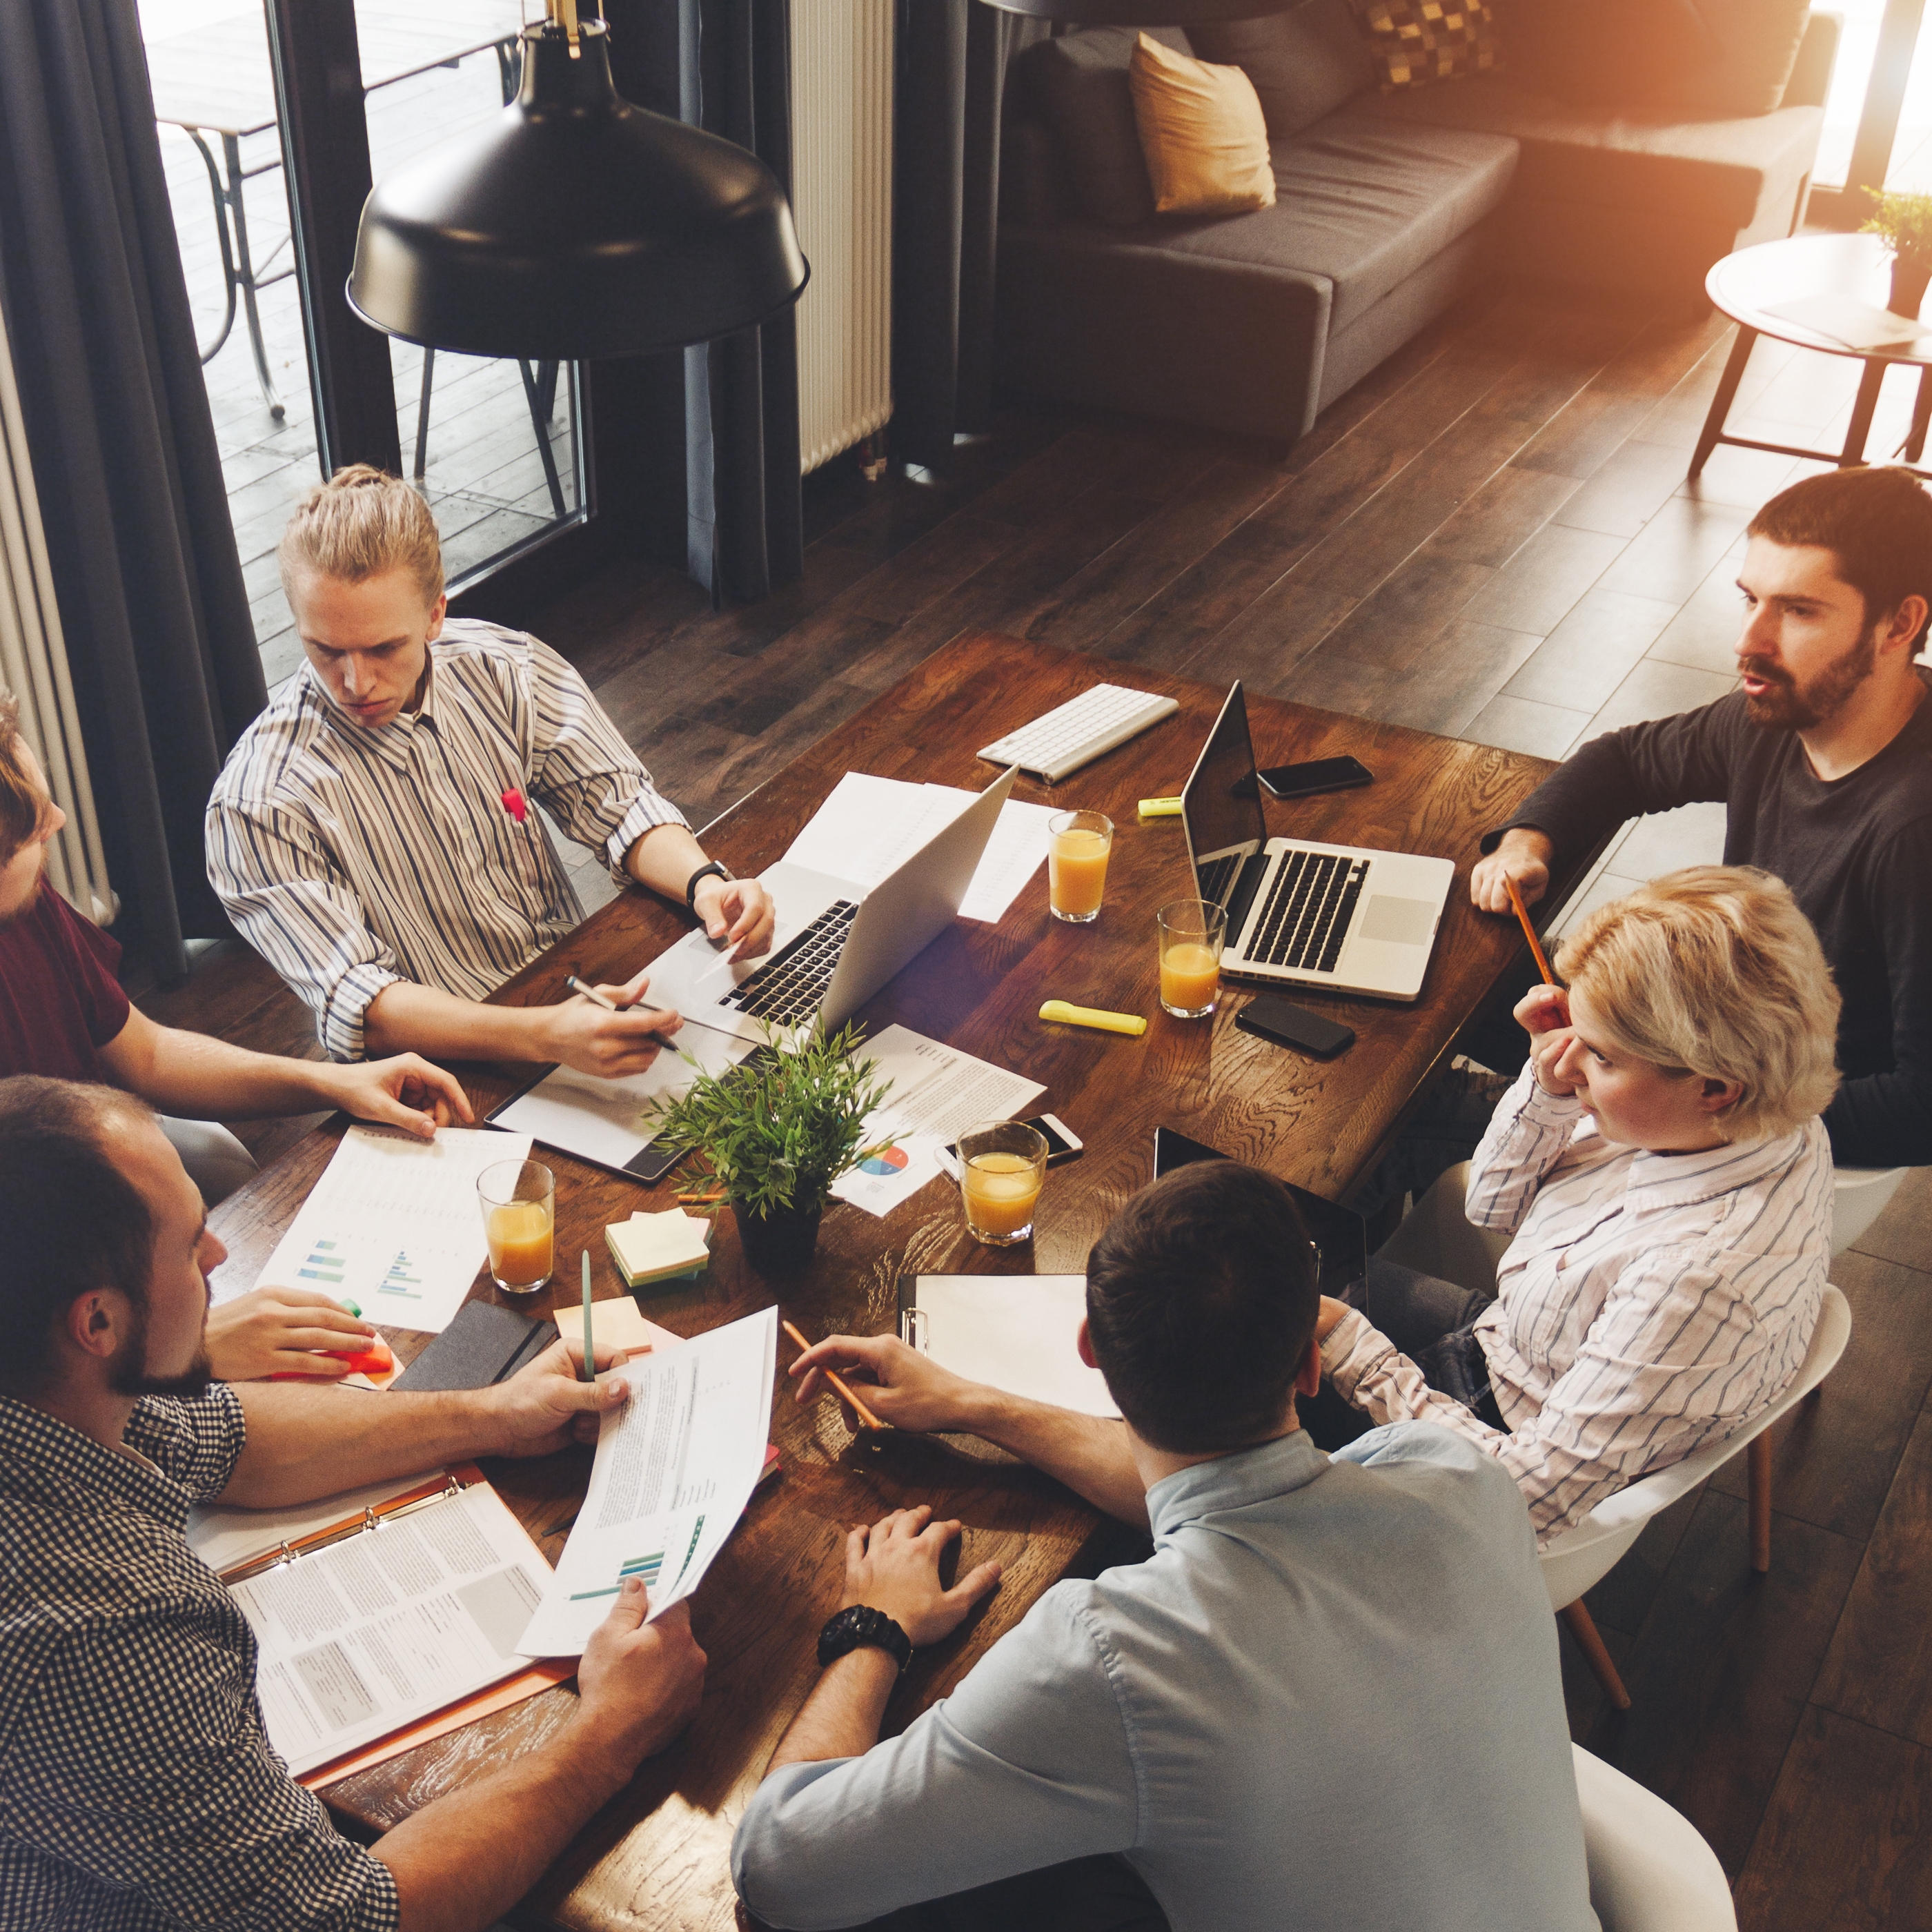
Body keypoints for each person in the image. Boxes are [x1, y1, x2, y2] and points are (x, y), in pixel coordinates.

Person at [738, 1161, 1596, 1932]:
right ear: (1307, 1363)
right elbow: (1237, 1492)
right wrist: (974, 1402)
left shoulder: (1113, 1658)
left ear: (1090, 1354)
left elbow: (778, 1867)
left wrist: (872, 1623)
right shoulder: (1457, 1476)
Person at [0, 1073, 707, 1932]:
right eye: (192, 1246)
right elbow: (353, 1920)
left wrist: (491, 1414)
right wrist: (608, 1739)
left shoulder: (47, 1387)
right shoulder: (101, 1636)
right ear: (98, 1324)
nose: (220, 1259)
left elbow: (224, 1437)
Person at [1318, 867, 1837, 1541]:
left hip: (1498, 1435)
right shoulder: (1767, 1117)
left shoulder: (1692, 1284)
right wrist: (1550, 1088)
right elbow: (1492, 1203)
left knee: (1232, 1326)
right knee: (1277, 1265)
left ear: (1716, 1087)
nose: (1570, 1061)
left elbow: (1524, 1501)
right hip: (1522, 1346)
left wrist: (1351, 1350)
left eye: (1600, 1055)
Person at [205, 465, 774, 1078]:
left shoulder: (504, 669)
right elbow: (360, 1003)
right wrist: (545, 1035)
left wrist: (705, 885)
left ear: (434, 615)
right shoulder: (257, 806)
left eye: (384, 648)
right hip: (439, 1076)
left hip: (572, 1007)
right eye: (325, 650)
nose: (356, 682)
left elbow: (618, 806)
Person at [1472, 462, 1932, 1172]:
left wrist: (1686, 1107)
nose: (1750, 641)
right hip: (1697, 1043)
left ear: (1899, 623)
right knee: (1464, 984)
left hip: (1776, 1132)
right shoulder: (1781, 714)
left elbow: (1918, 1107)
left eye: (1799, 611)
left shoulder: (1912, 832)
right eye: (1750, 599)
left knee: (1424, 1136)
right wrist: (1524, 844)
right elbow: (1625, 761)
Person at [0, 689, 469, 1382]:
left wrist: (327, 1079)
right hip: (51, 1301)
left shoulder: (29, 906)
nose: (60, 824)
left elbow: (145, 1051)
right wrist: (187, 1347)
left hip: (87, 1214)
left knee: (219, 1160)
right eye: (25, 839)